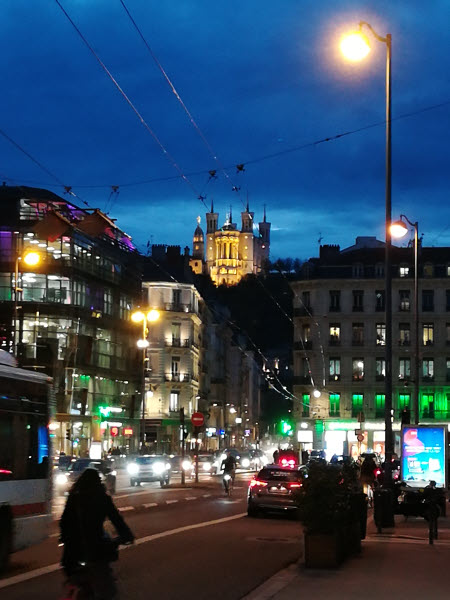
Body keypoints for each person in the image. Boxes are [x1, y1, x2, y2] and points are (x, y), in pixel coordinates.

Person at [60, 468, 134, 599]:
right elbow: (117, 520)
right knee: (108, 591)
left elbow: (64, 523)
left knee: (77, 581)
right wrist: (126, 535)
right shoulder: (102, 498)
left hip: (71, 556)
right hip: (95, 552)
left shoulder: (73, 498)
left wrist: (65, 539)